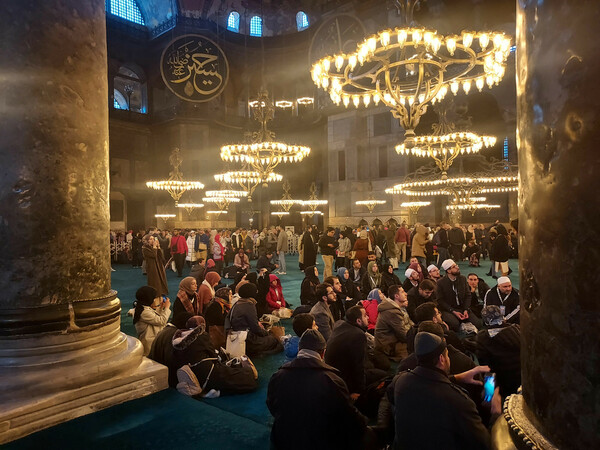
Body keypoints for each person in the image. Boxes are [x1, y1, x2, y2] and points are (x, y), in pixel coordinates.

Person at [391, 332, 501, 450]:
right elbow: (485, 445)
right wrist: (495, 414)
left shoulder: (400, 381)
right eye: (448, 355)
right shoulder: (458, 401)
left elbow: (428, 385)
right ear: (442, 359)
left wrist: (457, 378)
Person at [267, 329, 368, 450]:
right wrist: (364, 424)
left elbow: (272, 406)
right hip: (319, 442)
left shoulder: (278, 375)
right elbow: (348, 416)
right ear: (323, 354)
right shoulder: (332, 381)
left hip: (282, 440)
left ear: (299, 350)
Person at [173, 316, 258, 396]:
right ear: (201, 326)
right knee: (249, 381)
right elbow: (213, 355)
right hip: (208, 374)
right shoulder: (201, 335)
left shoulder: (179, 339)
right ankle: (218, 392)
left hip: (195, 375)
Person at [325, 305, 386, 401]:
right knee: (385, 376)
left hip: (333, 377)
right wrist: (358, 391)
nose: (368, 317)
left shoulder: (341, 327)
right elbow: (358, 366)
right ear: (358, 321)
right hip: (345, 380)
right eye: (365, 316)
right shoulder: (358, 335)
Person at [476, 305, 521, 397]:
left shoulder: (483, 338)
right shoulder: (517, 329)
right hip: (523, 378)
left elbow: (486, 368)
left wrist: (489, 396)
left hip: (502, 385)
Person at [227, 283, 283, 356]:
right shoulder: (249, 305)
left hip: (236, 336)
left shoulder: (237, 303)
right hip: (248, 339)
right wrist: (266, 333)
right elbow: (255, 328)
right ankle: (260, 353)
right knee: (274, 340)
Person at [148, 312, 193, 388]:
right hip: (166, 378)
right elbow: (172, 359)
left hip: (156, 371)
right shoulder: (174, 336)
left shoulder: (166, 330)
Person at [437, 259, 481, 332]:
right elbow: (440, 300)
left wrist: (466, 309)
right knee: (454, 324)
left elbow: (468, 295)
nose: (457, 267)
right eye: (454, 266)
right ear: (448, 270)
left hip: (463, 308)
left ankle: (462, 320)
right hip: (449, 309)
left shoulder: (462, 279)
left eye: (456, 265)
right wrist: (453, 311)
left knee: (478, 324)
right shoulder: (440, 283)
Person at [375, 285, 413, 360]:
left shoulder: (393, 308)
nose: (406, 294)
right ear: (396, 296)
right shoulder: (392, 311)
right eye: (402, 292)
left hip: (391, 340)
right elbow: (403, 335)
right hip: (387, 345)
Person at [132, 285, 171, 356]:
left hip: (153, 340)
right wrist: (167, 308)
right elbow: (161, 321)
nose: (154, 300)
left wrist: (162, 308)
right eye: (154, 298)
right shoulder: (144, 312)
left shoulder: (143, 307)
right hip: (150, 344)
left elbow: (156, 318)